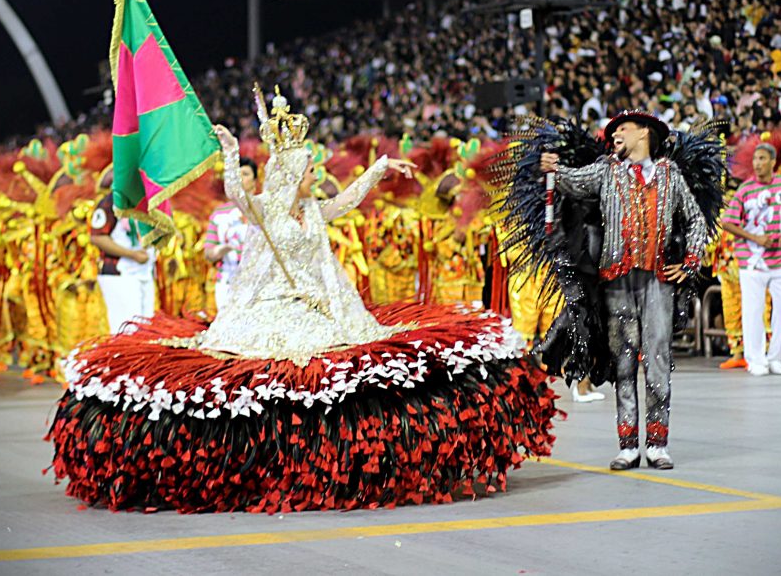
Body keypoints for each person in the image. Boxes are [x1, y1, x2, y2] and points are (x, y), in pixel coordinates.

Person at [49, 90, 558, 512]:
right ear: (290, 174)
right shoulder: (265, 209)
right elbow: (235, 192)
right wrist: (229, 149)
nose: (315, 178)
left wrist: (380, 167)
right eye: (309, 172)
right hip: (270, 304)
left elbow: (349, 199)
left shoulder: (314, 210)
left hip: (322, 303)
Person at [539, 110, 710, 471]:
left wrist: (692, 260)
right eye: (613, 129)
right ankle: (629, 444)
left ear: (645, 132)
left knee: (658, 358)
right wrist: (552, 168)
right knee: (624, 361)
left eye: (623, 128)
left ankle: (658, 444)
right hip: (616, 280)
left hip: (658, 280)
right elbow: (570, 181)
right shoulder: (606, 170)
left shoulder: (669, 174)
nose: (614, 133)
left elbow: (696, 219)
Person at [721, 143, 781, 376]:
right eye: (756, 159)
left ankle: (776, 359)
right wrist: (755, 238)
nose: (757, 163)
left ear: (772, 161)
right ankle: (755, 360)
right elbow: (728, 221)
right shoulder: (745, 189)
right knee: (753, 311)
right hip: (752, 262)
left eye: (762, 159)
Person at [89, 175, 157, 334]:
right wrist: (132, 255)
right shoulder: (111, 201)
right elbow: (97, 237)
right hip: (120, 274)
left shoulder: (149, 200)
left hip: (145, 273)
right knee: (127, 330)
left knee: (146, 330)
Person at [203, 157, 257, 312]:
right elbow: (209, 253)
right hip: (227, 283)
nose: (240, 178)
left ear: (255, 180)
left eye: (245, 174)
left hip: (257, 284)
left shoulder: (263, 209)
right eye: (237, 174)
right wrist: (222, 249)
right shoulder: (220, 214)